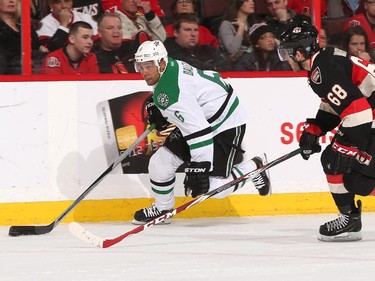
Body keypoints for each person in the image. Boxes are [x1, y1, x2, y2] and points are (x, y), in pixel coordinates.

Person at [131, 39, 271, 224]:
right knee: (160, 163)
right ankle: (162, 209)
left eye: (148, 66)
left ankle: (254, 168)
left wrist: (200, 167)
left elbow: (199, 131)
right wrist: (162, 112)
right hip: (202, 117)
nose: (143, 72)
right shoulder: (169, 67)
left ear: (162, 63)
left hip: (225, 123)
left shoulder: (171, 91)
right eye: (140, 67)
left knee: (212, 188)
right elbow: (189, 104)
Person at [278, 17, 375, 241]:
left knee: (335, 160)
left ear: (300, 53)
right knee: (352, 177)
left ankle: (349, 219)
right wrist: (315, 129)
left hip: (368, 117)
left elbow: (358, 112)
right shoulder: (323, 61)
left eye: (287, 53)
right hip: (369, 116)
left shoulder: (321, 70)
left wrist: (343, 147)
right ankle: (349, 219)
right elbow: (339, 104)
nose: (286, 58)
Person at [164, 13, 230, 71]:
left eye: (196, 30)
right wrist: (213, 67)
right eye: (187, 30)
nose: (193, 34)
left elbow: (226, 66)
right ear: (176, 33)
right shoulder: (168, 52)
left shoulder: (208, 50)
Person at [0, 0, 47, 74]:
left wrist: (41, 48)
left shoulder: (24, 23)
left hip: (31, 70)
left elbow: (35, 46)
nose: (11, 1)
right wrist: (19, 61)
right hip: (8, 74)